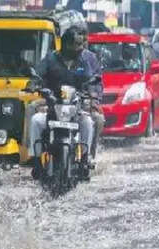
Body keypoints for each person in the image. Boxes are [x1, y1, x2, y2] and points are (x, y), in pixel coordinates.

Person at [26, 26, 102, 176]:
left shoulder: (88, 60)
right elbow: (38, 75)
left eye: (82, 44)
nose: (81, 48)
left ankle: (85, 159)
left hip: (78, 104)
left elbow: (97, 80)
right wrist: (33, 83)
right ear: (66, 44)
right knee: (35, 119)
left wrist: (93, 95)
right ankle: (36, 160)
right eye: (77, 44)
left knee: (88, 122)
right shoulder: (50, 58)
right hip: (52, 103)